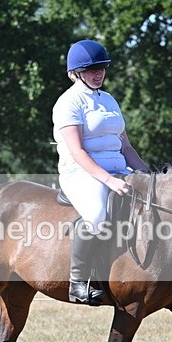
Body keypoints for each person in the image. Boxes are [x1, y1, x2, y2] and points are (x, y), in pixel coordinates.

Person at [52, 39, 149, 304]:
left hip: (118, 167)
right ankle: (78, 282)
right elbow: (78, 152)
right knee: (97, 214)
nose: (98, 73)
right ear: (75, 73)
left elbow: (125, 146)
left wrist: (147, 174)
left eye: (102, 68)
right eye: (92, 69)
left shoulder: (109, 100)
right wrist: (108, 180)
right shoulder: (67, 103)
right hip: (80, 172)